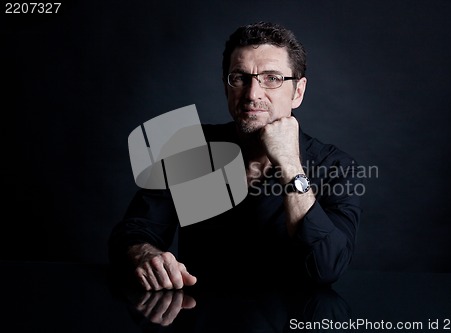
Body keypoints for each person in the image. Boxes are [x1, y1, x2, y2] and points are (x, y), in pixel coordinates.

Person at [108, 21, 362, 291]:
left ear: (297, 92)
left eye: (272, 79)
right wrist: (145, 254)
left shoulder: (337, 167)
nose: (252, 94)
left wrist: (289, 163)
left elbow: (326, 267)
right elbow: (134, 231)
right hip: (199, 317)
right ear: (226, 87)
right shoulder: (190, 148)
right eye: (240, 77)